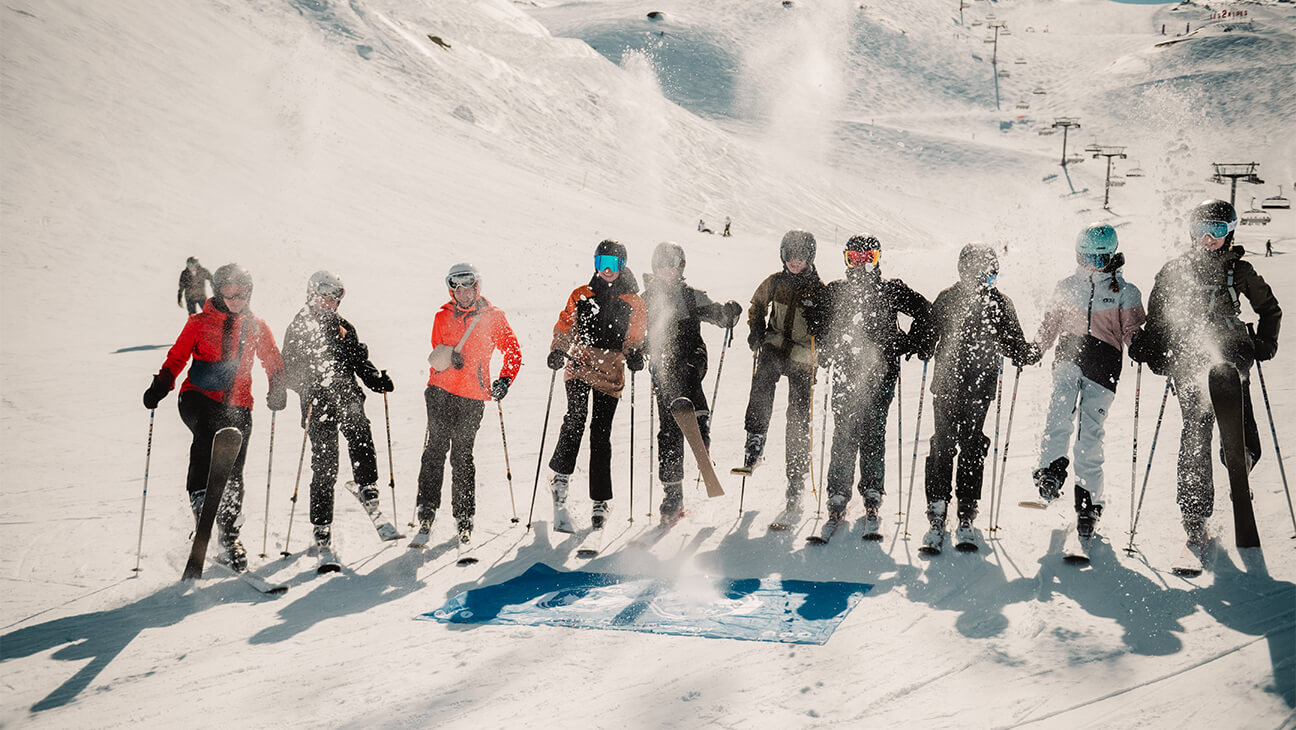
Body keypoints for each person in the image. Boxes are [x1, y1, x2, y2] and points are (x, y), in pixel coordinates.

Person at [1128, 199, 1281, 549]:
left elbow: (1270, 309)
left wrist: (1265, 342)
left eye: (1217, 232)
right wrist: (1150, 347)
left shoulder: (1240, 271)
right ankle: (1195, 513)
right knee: (1196, 426)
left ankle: (1241, 455)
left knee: (1235, 401)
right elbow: (1160, 315)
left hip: (1231, 348)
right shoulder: (1174, 271)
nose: (1208, 239)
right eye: (1201, 231)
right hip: (1189, 353)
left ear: (1230, 233)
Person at [143, 263, 286, 571]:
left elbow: (272, 358)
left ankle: (230, 536)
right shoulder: (199, 322)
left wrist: (277, 385)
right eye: (229, 293)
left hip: (238, 406)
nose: (235, 299)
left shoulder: (257, 326)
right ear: (218, 292)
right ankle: (201, 502)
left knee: (233, 468)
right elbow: (178, 356)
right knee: (207, 435)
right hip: (197, 397)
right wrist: (161, 385)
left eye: (241, 294)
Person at [909, 243, 1040, 551]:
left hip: (980, 387)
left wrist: (1026, 353)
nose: (982, 280)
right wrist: (923, 344)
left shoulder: (999, 302)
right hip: (947, 384)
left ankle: (967, 511)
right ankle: (937, 509)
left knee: (971, 444)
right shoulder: (949, 298)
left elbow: (1013, 342)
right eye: (976, 273)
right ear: (963, 271)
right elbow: (930, 331)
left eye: (989, 274)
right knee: (942, 443)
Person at [1031, 224, 1146, 539]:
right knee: (1059, 410)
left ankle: (1089, 505)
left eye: (1099, 259)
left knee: (1089, 437)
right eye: (1085, 257)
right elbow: (1050, 324)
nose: (1090, 265)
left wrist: (1140, 345)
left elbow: (1131, 330)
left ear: (1111, 257)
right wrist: (1035, 348)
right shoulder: (1066, 286)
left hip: (1103, 367)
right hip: (1069, 357)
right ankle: (1050, 472)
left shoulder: (1125, 291)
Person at [281, 271, 395, 566]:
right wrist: (305, 384)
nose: (330, 300)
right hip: (318, 403)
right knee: (325, 462)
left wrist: (374, 379)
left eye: (336, 295)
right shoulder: (299, 326)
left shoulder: (344, 327)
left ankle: (367, 486)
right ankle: (322, 528)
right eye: (325, 293)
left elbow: (359, 359)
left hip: (346, 394)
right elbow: (288, 368)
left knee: (360, 430)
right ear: (311, 292)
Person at [818, 234, 931, 530]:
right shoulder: (837, 291)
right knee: (844, 430)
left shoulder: (890, 289)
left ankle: (872, 487)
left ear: (877, 260)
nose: (862, 266)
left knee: (873, 429)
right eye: (855, 259)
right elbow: (817, 320)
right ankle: (838, 491)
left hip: (880, 371)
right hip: (846, 370)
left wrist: (909, 341)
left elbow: (925, 311)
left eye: (868, 259)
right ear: (847, 260)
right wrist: (825, 350)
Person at [414, 263, 522, 545]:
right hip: (440, 390)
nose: (461, 291)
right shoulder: (442, 315)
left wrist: (504, 380)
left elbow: (512, 351)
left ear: (477, 286)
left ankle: (464, 515)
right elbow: (437, 349)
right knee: (435, 448)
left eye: (467, 284)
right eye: (455, 286)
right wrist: (450, 355)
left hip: (473, 395)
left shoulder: (494, 316)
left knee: (462, 454)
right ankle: (426, 508)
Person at [546, 240, 646, 532]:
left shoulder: (635, 302)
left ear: (622, 266)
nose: (606, 270)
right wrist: (557, 348)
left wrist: (634, 354)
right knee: (575, 417)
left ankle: (600, 500)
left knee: (601, 434)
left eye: (613, 264)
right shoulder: (581, 294)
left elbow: (634, 336)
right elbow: (565, 325)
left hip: (610, 370)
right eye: (601, 262)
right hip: (579, 363)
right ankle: (561, 477)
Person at [642, 241, 741, 524]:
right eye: (661, 265)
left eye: (672, 265)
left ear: (681, 268)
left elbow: (719, 316)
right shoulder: (646, 298)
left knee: (685, 373)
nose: (666, 270)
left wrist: (729, 313)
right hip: (662, 367)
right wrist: (636, 349)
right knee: (668, 430)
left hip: (691, 357)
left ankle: (700, 427)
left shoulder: (691, 296)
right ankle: (673, 496)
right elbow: (634, 331)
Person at [740, 229, 829, 523]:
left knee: (798, 416)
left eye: (800, 257)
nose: (794, 262)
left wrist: (823, 334)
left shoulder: (819, 290)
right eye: (790, 256)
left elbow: (830, 324)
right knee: (762, 385)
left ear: (810, 258)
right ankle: (755, 439)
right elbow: (756, 306)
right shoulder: (775, 282)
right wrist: (756, 331)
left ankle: (796, 478)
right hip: (775, 347)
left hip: (804, 357)